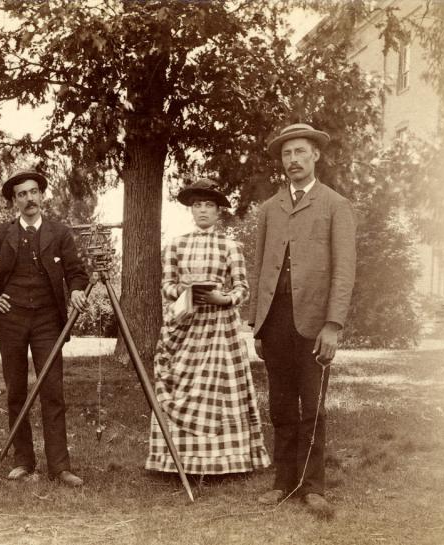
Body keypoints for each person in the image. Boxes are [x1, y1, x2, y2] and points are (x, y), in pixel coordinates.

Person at [248, 123, 356, 517]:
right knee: (280, 404)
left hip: (314, 322)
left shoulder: (335, 205)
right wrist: (256, 325)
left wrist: (333, 325)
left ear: (316, 156)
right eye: (286, 154)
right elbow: (259, 267)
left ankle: (312, 486)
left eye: (299, 152)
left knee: (311, 405)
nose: (293, 160)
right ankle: (282, 481)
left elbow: (344, 271)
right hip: (274, 321)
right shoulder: (269, 209)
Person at [145, 180, 270, 477]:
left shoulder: (231, 246)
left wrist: (223, 298)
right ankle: (179, 461)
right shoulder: (176, 244)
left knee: (220, 389)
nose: (203, 211)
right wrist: (184, 292)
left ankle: (227, 460)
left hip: (218, 328)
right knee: (181, 383)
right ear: (191, 210)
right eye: (198, 205)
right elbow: (167, 286)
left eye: (209, 206)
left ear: (218, 212)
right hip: (186, 324)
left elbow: (243, 288)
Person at [0, 170, 89, 487]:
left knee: (52, 391)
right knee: (16, 391)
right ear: (14, 201)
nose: (29, 199)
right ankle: (23, 462)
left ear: (42, 196)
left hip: (47, 321)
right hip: (11, 319)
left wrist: (78, 289)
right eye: (22, 194)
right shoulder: (3, 233)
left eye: (33, 192)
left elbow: (76, 272)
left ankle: (60, 466)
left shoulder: (60, 233)